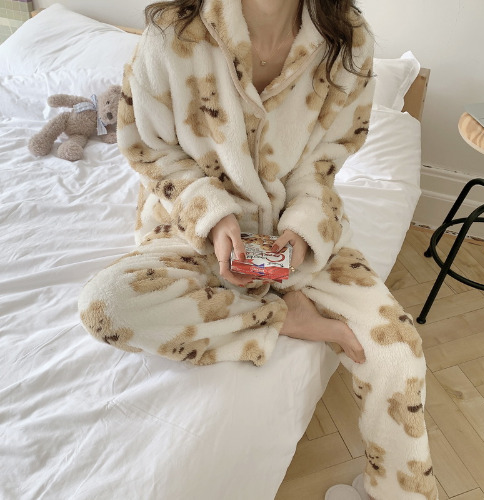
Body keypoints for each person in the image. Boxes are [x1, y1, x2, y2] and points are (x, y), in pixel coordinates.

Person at [78, 0, 438, 498]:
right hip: (191, 227)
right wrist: (214, 216)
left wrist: (303, 231)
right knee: (106, 307)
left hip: (297, 229)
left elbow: (324, 163)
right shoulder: (172, 33)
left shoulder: (348, 38)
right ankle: (286, 318)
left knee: (399, 354)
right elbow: (150, 151)